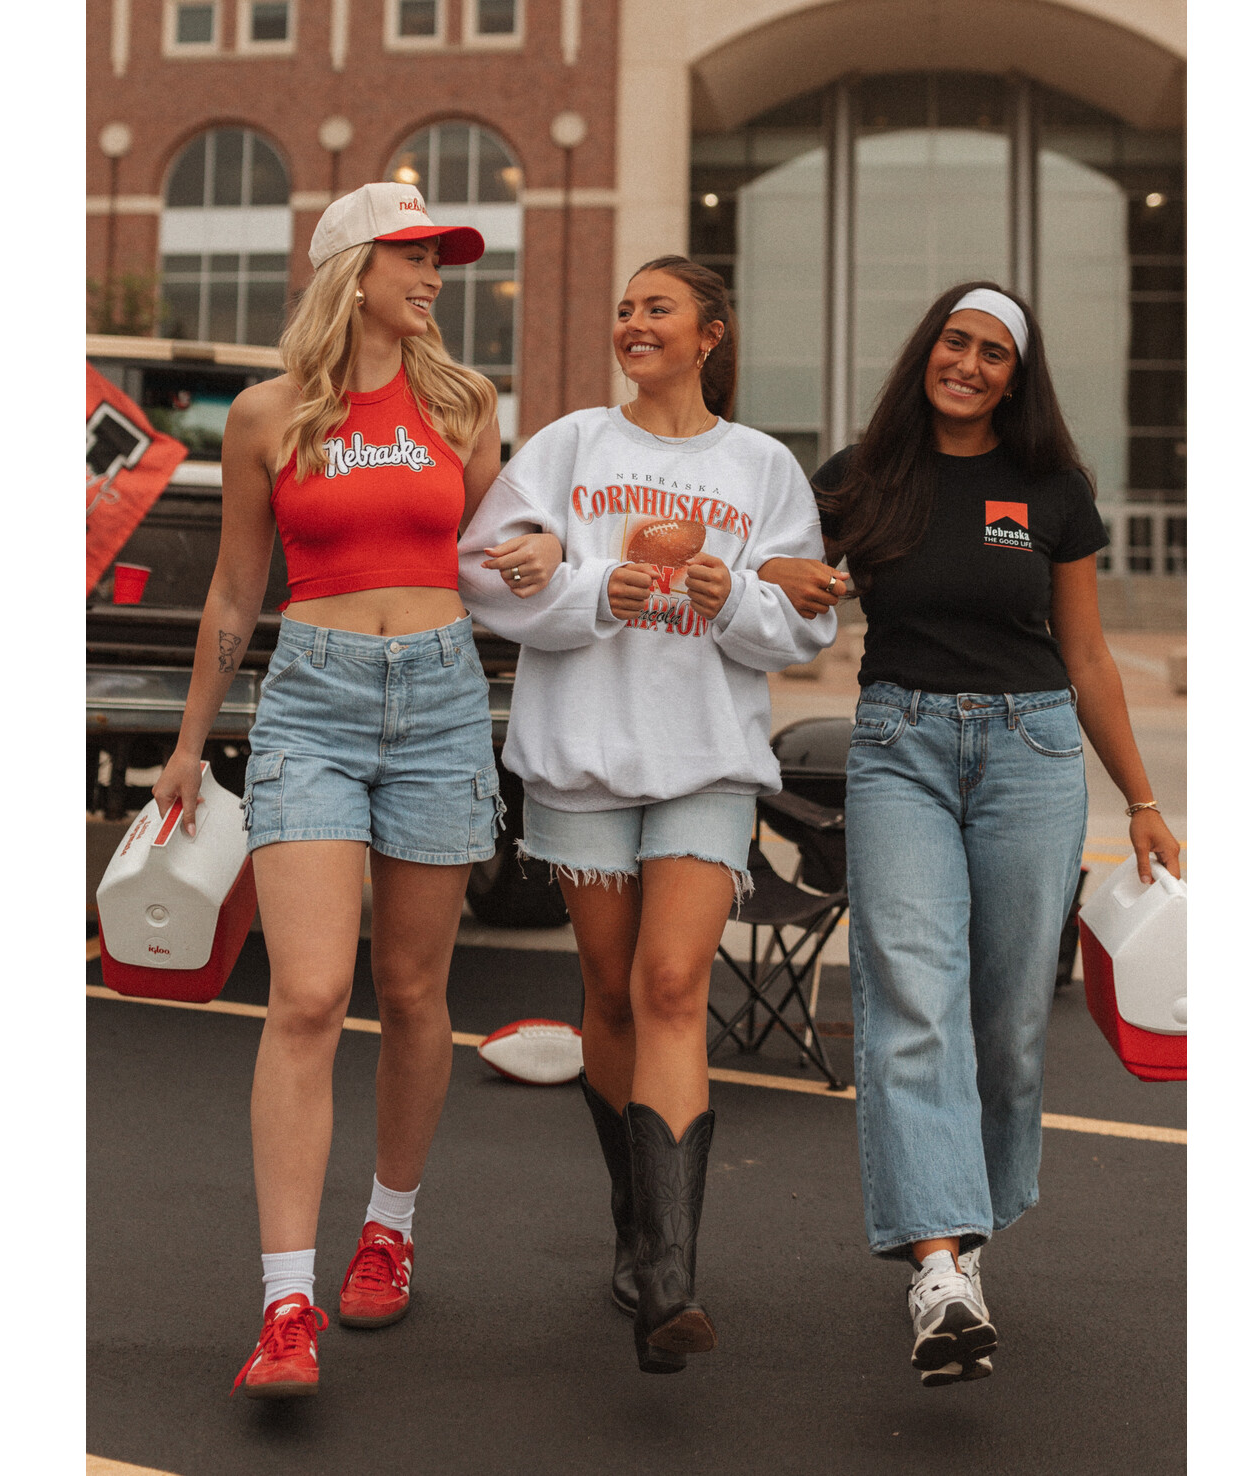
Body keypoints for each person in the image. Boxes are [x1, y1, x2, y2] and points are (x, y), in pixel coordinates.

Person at [151, 184, 561, 1401]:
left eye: (439, 257)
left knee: (413, 984)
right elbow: (235, 593)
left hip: (439, 697)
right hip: (311, 702)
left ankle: (389, 1223)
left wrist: (536, 555)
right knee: (310, 991)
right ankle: (285, 1301)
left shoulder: (463, 404)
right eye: (412, 255)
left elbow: (494, 560)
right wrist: (188, 743)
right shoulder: (269, 415)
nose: (434, 274)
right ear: (349, 267)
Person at [759, 282, 1181, 1389]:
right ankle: (937, 1265)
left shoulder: (1050, 491)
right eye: (956, 340)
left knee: (1005, 1019)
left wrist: (1139, 797)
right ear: (927, 348)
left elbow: (1085, 656)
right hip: (897, 742)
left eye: (994, 352)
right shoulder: (859, 473)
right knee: (908, 993)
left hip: (1031, 755)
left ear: (1016, 374)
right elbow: (779, 570)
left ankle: (965, 1224)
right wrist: (774, 571)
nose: (970, 362)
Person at [458, 256, 836, 1373]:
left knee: (672, 983)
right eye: (622, 306)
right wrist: (584, 591)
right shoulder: (571, 446)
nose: (631, 321)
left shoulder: (761, 467)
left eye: (655, 307)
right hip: (582, 759)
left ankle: (669, 1275)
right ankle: (636, 1222)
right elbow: (486, 573)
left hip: (704, 761)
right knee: (609, 991)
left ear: (709, 332)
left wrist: (738, 602)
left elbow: (805, 619)